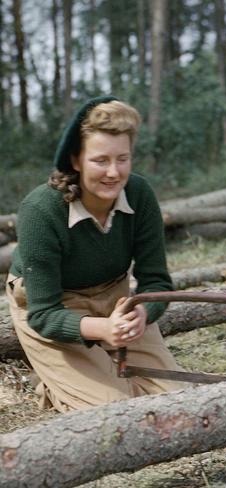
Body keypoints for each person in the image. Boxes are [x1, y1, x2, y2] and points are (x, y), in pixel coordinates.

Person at [6, 96, 184, 412]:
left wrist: (142, 314)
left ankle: (94, 363)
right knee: (111, 410)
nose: (113, 173)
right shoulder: (40, 211)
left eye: (123, 159)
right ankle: (52, 379)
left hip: (116, 297)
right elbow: (43, 312)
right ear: (75, 159)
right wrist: (104, 330)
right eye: (100, 160)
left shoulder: (140, 195)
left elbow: (156, 280)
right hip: (55, 303)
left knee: (178, 398)